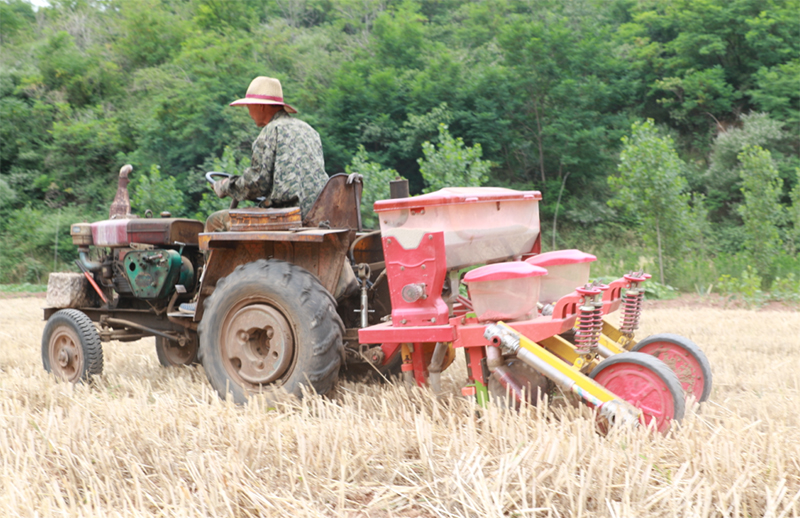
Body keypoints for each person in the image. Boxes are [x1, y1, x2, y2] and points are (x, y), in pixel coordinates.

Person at [205, 76, 329, 232]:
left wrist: (226, 186)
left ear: (261, 106)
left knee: (214, 221)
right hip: (318, 214)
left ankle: (206, 257)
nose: (249, 112)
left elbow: (257, 184)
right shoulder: (310, 131)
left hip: (287, 216)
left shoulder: (271, 131)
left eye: (249, 106)